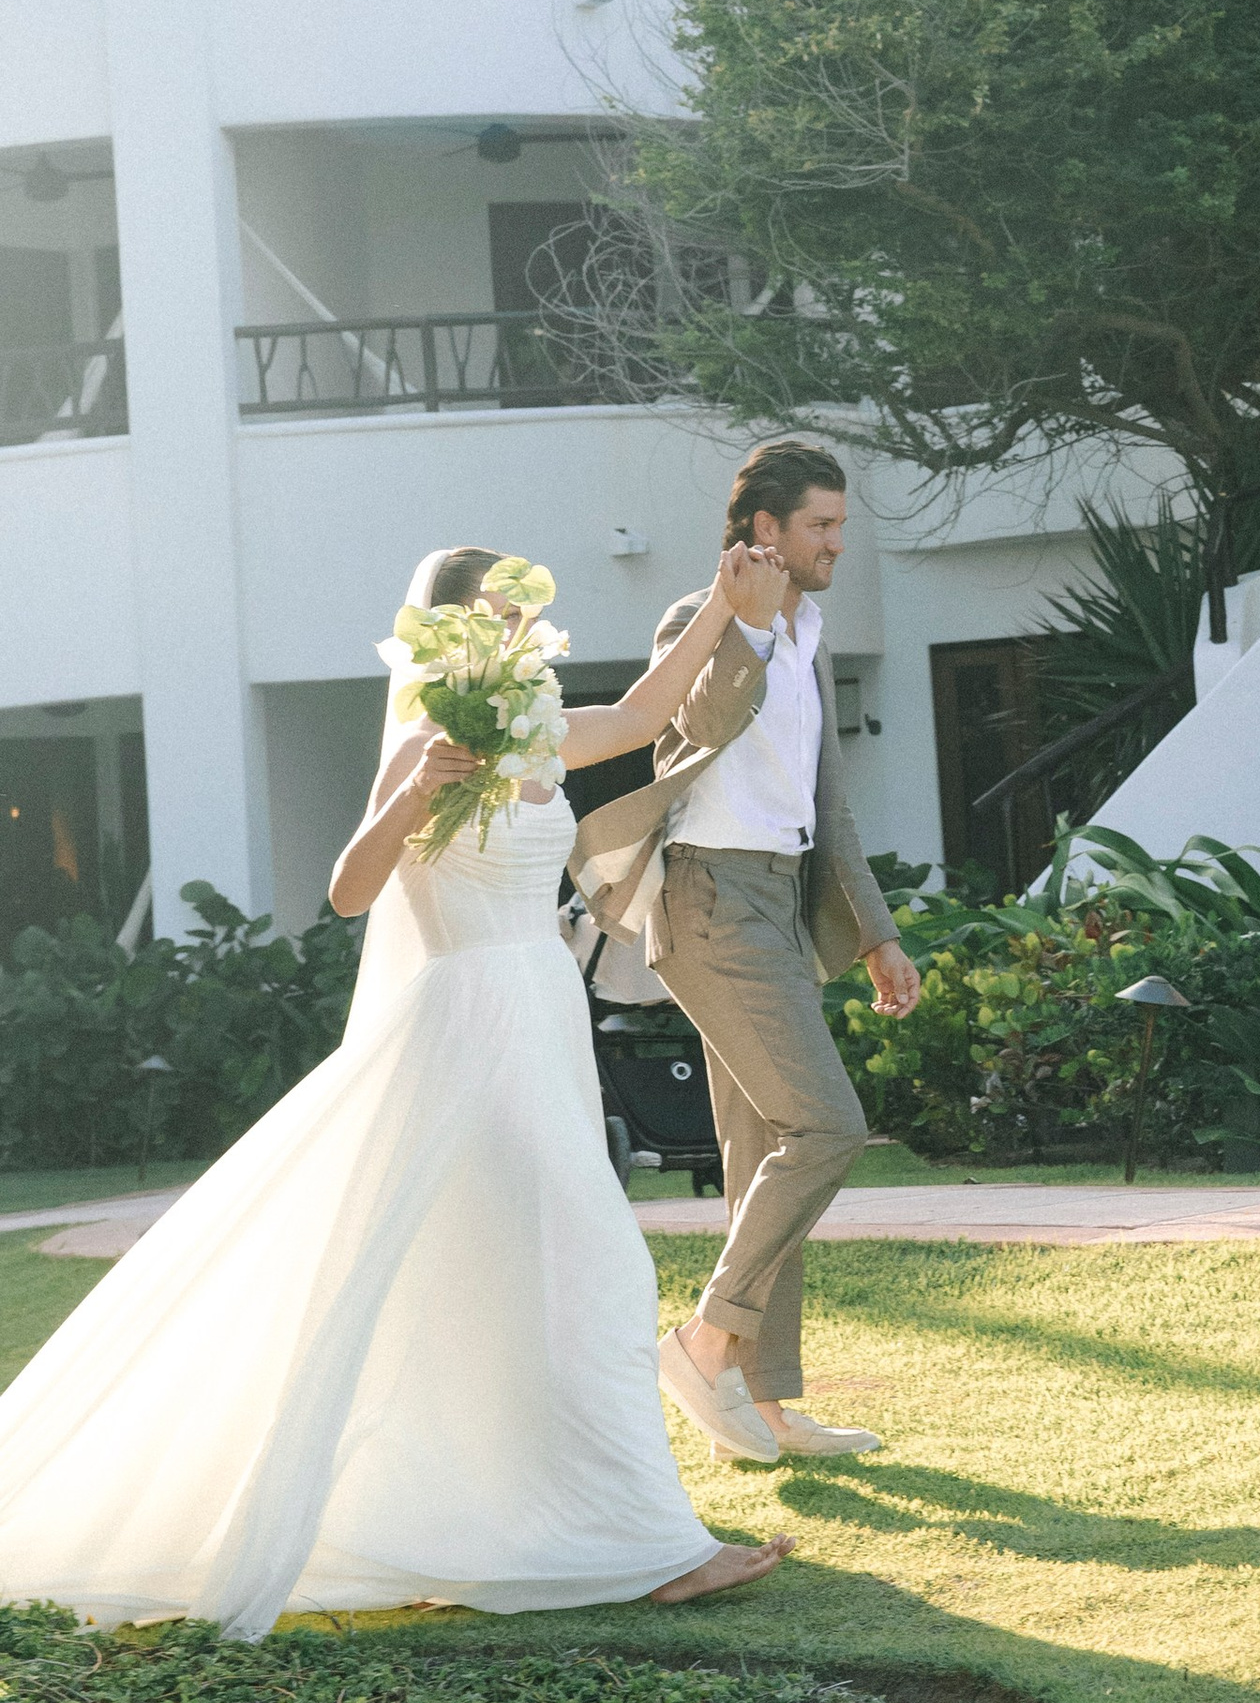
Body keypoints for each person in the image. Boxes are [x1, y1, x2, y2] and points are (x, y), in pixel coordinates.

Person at [0, 545, 793, 1638]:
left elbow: (651, 705)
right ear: (449, 636)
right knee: (600, 1269)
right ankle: (658, 1552)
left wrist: (721, 598)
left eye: (529, 621)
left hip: (539, 1023)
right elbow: (346, 890)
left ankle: (532, 1529)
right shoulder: (436, 745)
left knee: (499, 1287)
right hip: (465, 1032)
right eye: (503, 620)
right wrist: (413, 794)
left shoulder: (539, 733)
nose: (523, 637)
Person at [572, 440, 921, 1465]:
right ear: (762, 532)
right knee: (826, 1126)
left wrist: (879, 934)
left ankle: (766, 1407)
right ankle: (705, 1341)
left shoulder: (809, 636)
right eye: (819, 526)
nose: (835, 545)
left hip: (779, 898)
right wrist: (750, 631)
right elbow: (688, 730)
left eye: (839, 527)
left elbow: (829, 805)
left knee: (763, 1150)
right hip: (712, 899)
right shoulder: (702, 620)